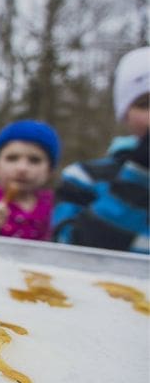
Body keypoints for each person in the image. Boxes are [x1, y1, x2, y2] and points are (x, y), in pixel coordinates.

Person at [52, 46, 149, 254]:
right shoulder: (84, 178)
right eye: (145, 104)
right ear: (125, 113)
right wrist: (137, 180)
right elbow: (67, 249)